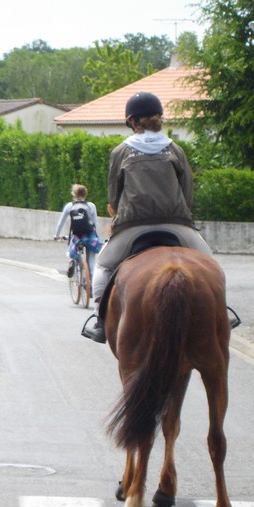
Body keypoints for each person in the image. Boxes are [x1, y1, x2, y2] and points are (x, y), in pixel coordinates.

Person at [82, 91, 213, 343]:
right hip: (177, 224)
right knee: (209, 265)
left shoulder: (121, 151)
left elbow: (113, 195)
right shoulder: (175, 149)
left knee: (103, 266)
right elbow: (187, 193)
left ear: (132, 121)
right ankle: (221, 311)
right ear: (159, 119)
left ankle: (100, 321)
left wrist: (118, 215)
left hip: (133, 226)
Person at [54, 184, 104, 277]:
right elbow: (95, 224)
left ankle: (74, 261)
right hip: (90, 236)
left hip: (77, 236)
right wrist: (97, 236)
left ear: (74, 194)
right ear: (86, 194)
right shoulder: (91, 206)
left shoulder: (69, 206)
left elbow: (60, 223)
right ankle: (90, 280)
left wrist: (57, 235)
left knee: (72, 249)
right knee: (91, 263)